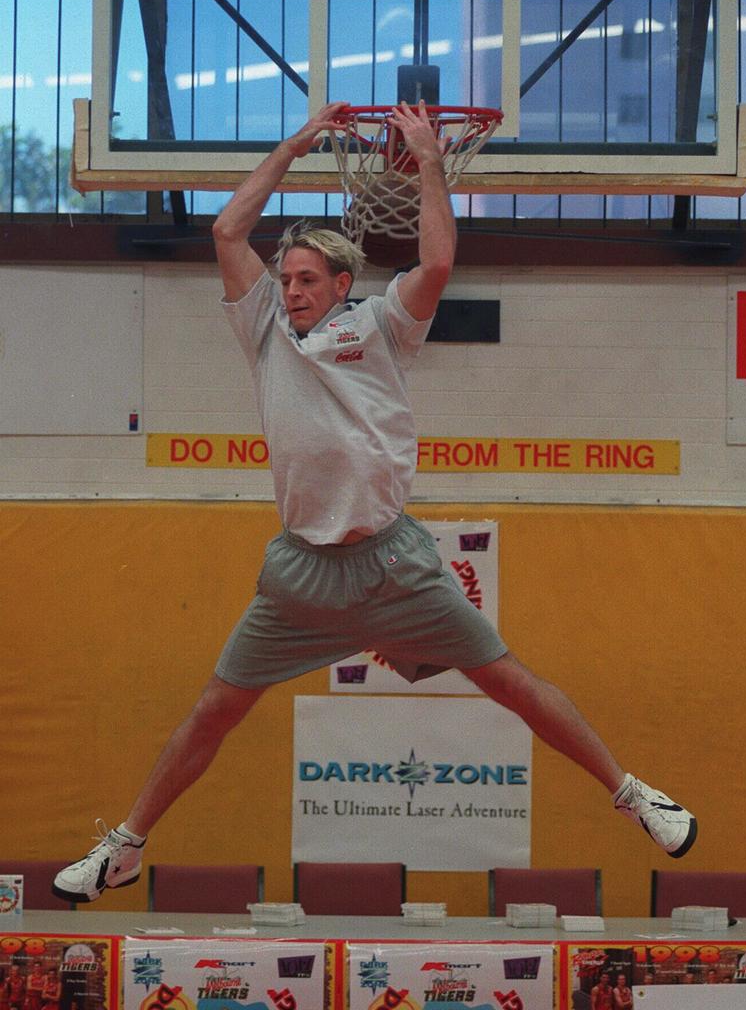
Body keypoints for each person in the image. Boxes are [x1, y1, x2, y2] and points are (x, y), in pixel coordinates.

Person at [51, 100, 696, 904]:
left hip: (392, 564)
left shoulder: (384, 328)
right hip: (300, 573)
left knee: (511, 684)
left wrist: (428, 158)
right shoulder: (262, 333)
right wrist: (294, 142)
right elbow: (224, 233)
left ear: (341, 285)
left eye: (305, 279)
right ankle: (125, 847)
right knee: (216, 709)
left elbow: (435, 263)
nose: (290, 291)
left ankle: (636, 796)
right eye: (284, 280)